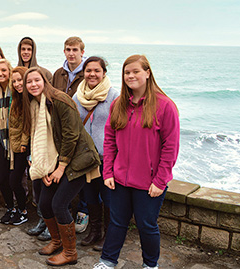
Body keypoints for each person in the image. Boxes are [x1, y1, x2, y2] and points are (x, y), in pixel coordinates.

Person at [93, 55, 180, 269]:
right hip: (120, 179)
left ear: (148, 73)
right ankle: (107, 261)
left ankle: (150, 265)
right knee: (117, 223)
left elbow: (171, 147)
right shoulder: (118, 104)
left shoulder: (165, 106)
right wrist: (109, 173)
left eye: (135, 71)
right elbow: (110, 140)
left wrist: (160, 181)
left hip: (149, 182)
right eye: (127, 72)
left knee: (146, 225)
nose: (130, 76)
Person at [23, 67, 101, 266]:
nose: (33, 84)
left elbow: (71, 136)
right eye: (29, 82)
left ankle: (70, 252)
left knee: (59, 204)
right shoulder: (34, 104)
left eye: (36, 80)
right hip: (55, 160)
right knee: (44, 203)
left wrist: (59, 168)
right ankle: (57, 241)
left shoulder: (60, 100)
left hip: (78, 160)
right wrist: (45, 167)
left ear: (45, 81)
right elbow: (39, 140)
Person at [72, 56, 119, 249]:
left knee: (108, 198)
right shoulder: (77, 96)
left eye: (96, 70)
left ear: (104, 73)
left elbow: (120, 127)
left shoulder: (114, 96)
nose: (92, 74)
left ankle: (109, 235)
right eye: (88, 70)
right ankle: (94, 230)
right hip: (85, 158)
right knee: (90, 196)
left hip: (107, 157)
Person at [51, 36, 89, 234]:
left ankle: (83, 211)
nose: (71, 53)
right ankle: (67, 214)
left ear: (82, 51)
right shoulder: (58, 74)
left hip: (83, 131)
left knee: (83, 174)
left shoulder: (88, 72)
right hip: (63, 133)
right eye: (68, 49)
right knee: (68, 175)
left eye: (75, 49)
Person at [0, 60, 28, 226]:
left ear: (10, 72)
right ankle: (11, 208)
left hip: (18, 145)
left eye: (3, 70)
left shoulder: (17, 92)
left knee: (15, 181)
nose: (0, 74)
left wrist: (24, 143)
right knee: (2, 180)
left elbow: (27, 120)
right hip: (2, 144)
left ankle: (23, 211)